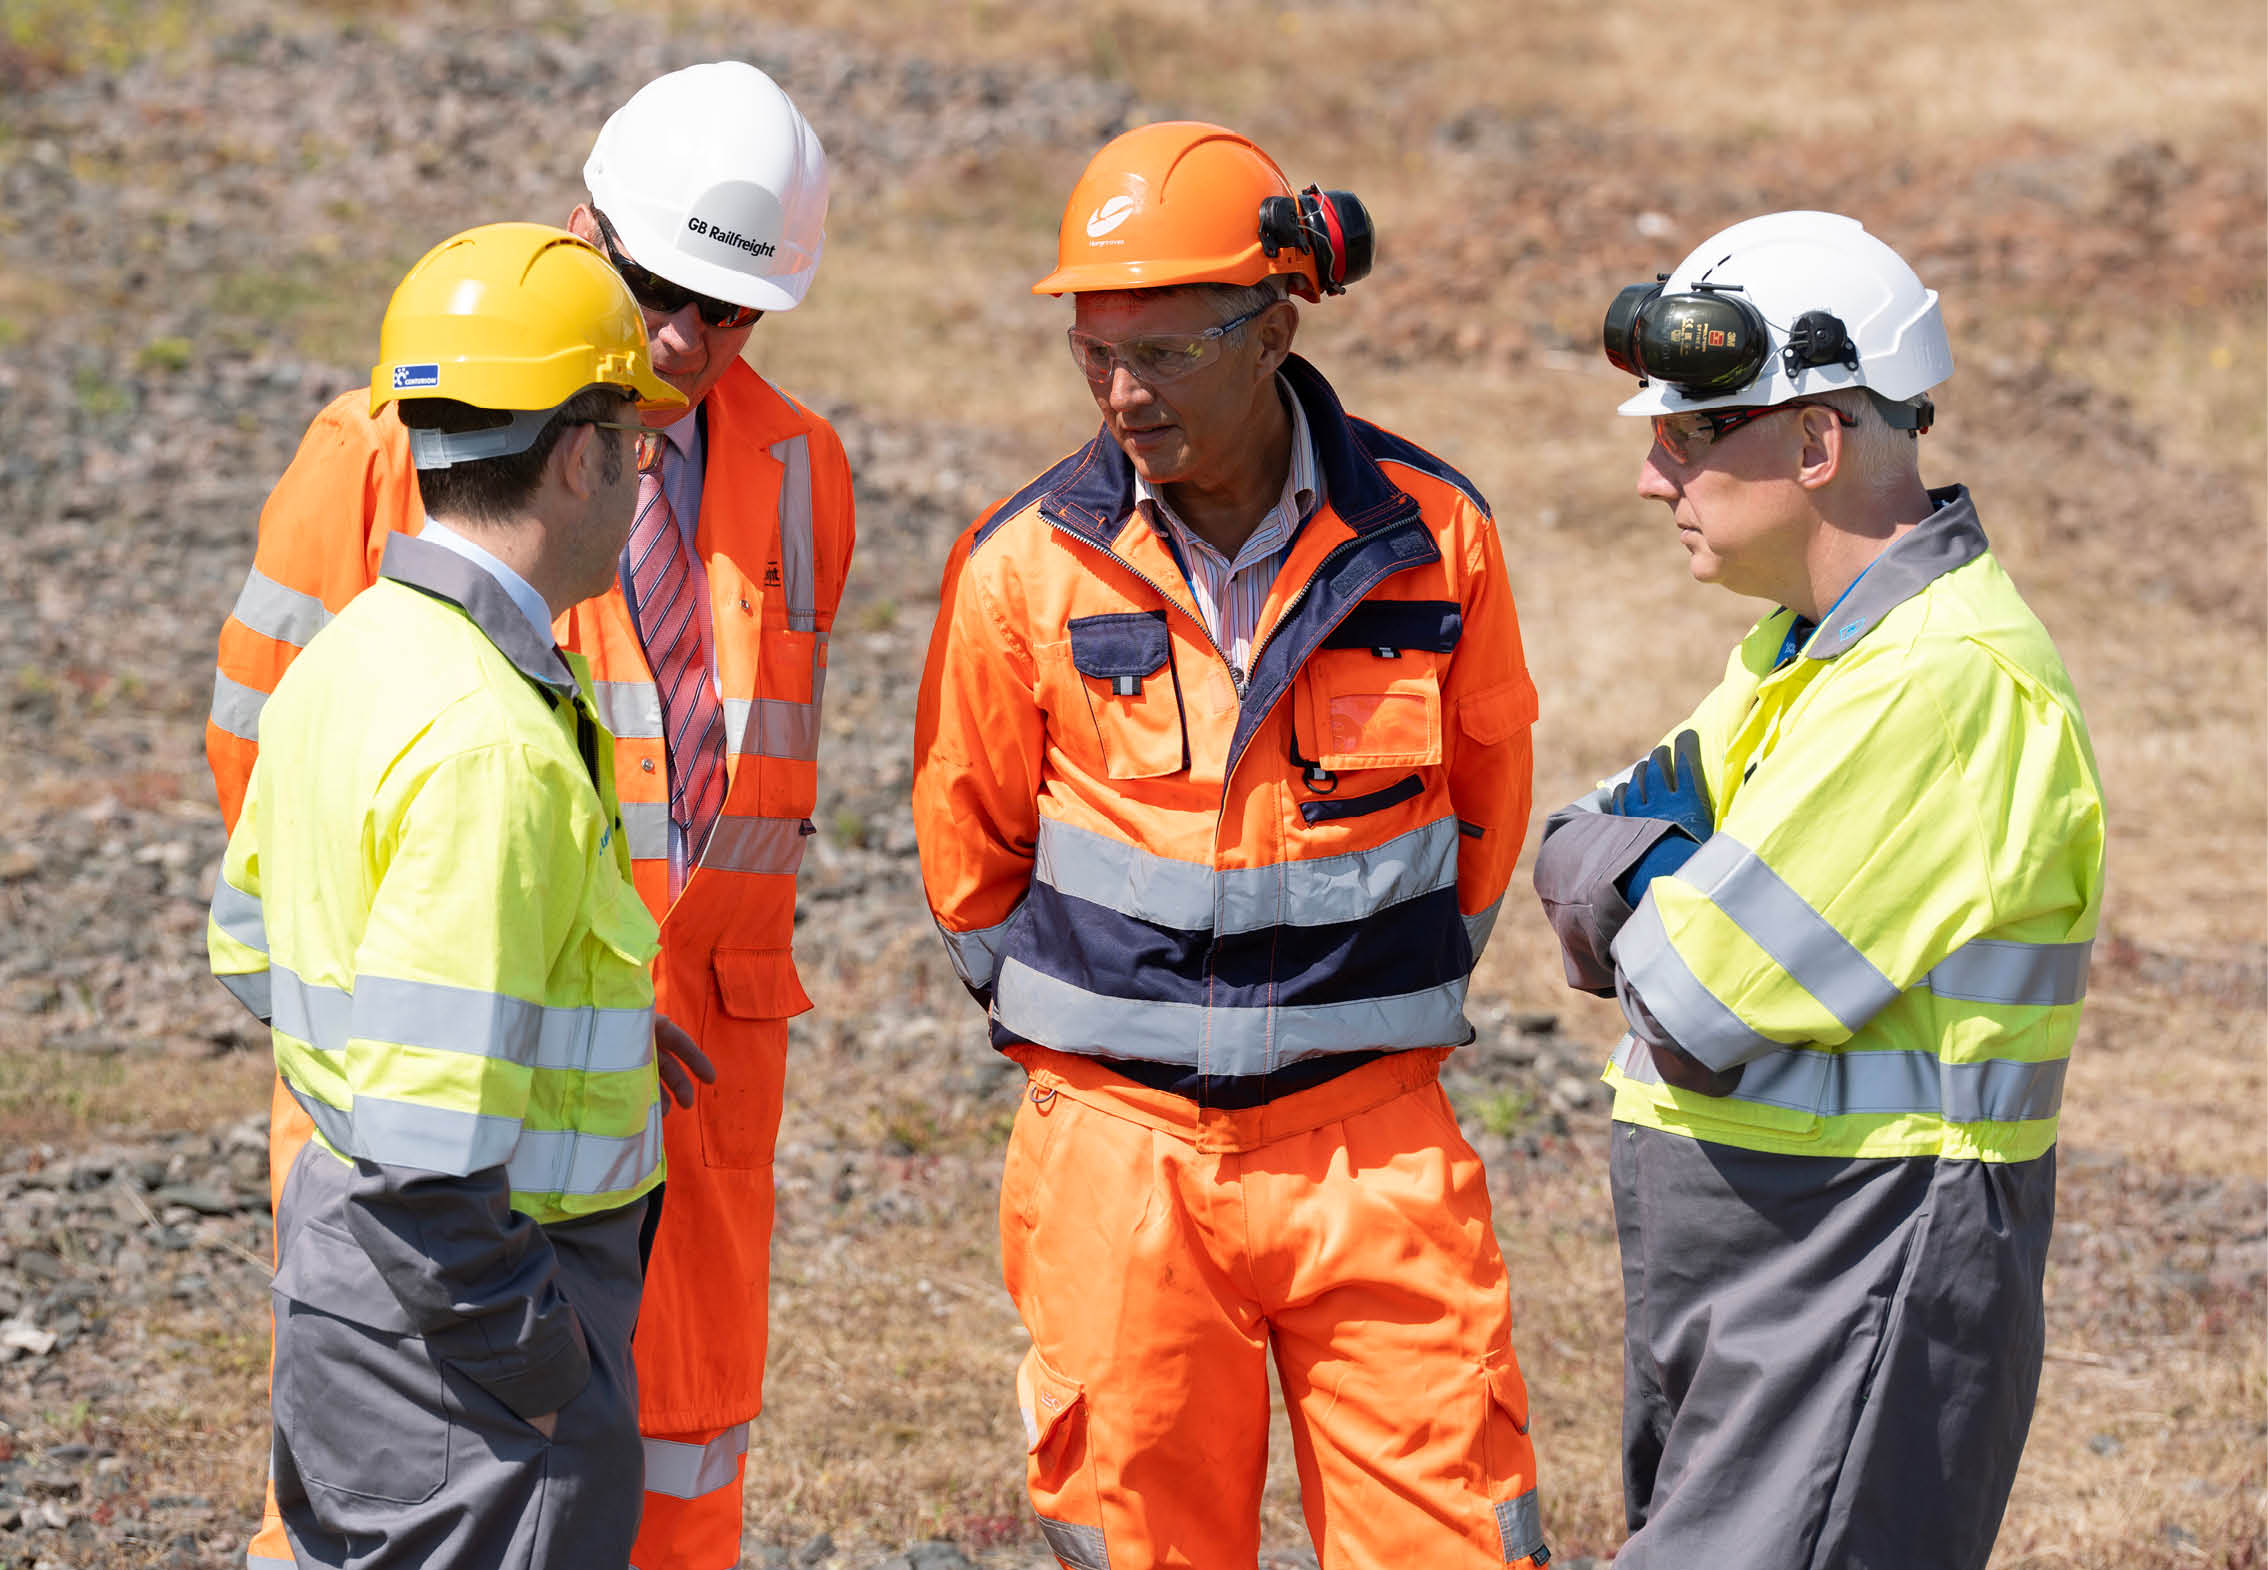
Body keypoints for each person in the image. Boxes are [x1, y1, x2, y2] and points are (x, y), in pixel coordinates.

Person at [203, 62, 854, 1570]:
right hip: (438, 1049)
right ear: (585, 234)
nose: (688, 342)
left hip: (687, 1062)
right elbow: (267, 748)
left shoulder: (802, 472)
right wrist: (427, 977)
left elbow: (758, 780)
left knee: (676, 1459)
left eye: (732, 312)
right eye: (659, 293)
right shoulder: (387, 447)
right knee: (423, 1467)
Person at [912, 122, 1549, 1569]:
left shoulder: (1434, 539)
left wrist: (1355, 1007)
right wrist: (1097, 1049)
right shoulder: (1021, 566)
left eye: (1168, 352)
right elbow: (969, 849)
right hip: (1117, 1162)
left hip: (1372, 1147)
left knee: (1453, 1532)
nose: (1125, 394)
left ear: (1275, 324)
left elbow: (1483, 813)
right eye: (1094, 352)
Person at [1531, 209, 2106, 1570]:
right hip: (1768, 1264)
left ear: (1813, 442)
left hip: (1862, 1259)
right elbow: (1568, 847)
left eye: (1685, 438)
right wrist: (1670, 874)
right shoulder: (1810, 654)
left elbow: (1693, 991)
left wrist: (1660, 880)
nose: (1648, 477)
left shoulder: (1942, 681)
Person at [207, 221, 687, 1565]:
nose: (638, 482)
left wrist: (570, 1030)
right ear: (585, 453)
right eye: (635, 450)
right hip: (466, 1334)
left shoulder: (349, 655)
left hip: (346, 1286)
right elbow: (433, 1177)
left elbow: (258, 950)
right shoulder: (490, 739)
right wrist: (547, 1371)